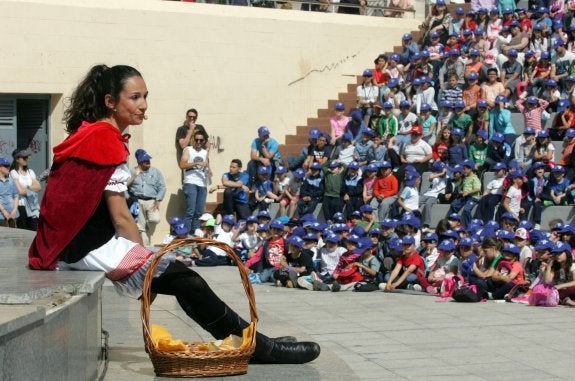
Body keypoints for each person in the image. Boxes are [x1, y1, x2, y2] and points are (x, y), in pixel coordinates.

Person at [26, 64, 320, 364]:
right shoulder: (103, 139)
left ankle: (247, 340)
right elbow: (121, 217)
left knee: (181, 277)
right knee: (184, 278)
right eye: (135, 97)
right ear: (110, 102)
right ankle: (256, 347)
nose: (143, 105)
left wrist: (148, 265)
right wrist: (147, 267)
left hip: (72, 240)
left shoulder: (92, 133)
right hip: (83, 245)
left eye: (145, 97)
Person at [128, 149, 166, 246]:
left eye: (148, 159)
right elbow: (125, 186)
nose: (148, 161)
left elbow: (162, 187)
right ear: (140, 161)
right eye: (145, 160)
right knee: (140, 228)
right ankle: (146, 247)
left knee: (155, 219)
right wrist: (134, 176)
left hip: (151, 201)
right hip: (137, 201)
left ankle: (145, 228)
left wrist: (158, 199)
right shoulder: (132, 171)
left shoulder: (155, 172)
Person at [9, 148, 41, 230]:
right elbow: (20, 191)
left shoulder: (30, 172)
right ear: (17, 159)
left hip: (32, 205)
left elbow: (39, 188)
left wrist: (27, 187)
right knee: (23, 231)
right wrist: (31, 188)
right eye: (24, 158)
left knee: (35, 230)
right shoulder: (14, 173)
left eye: (27, 157)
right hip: (21, 205)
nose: (26, 159)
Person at [0, 157, 19, 227]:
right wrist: (4, 211)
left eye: (9, 166)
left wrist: (14, 211)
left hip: (13, 216)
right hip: (1, 217)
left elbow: (16, 196)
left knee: (14, 236)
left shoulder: (11, 180)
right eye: (5, 166)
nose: (8, 167)